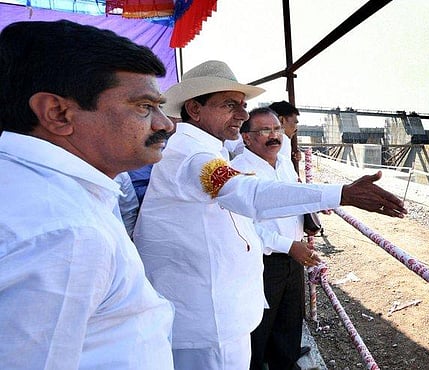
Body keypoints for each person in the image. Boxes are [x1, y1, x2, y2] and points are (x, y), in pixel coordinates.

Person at [132, 60, 406, 370]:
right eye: (229, 105)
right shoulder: (193, 156)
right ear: (195, 109)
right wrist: (342, 193)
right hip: (209, 323)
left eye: (243, 105)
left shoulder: (206, 149)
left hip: (216, 310)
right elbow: (247, 193)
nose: (242, 114)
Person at [0, 20, 176, 369]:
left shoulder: (35, 189)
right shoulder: (68, 233)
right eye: (144, 106)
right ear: (58, 113)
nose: (165, 124)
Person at [231, 108, 312, 370]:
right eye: (264, 130)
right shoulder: (236, 172)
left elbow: (295, 198)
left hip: (293, 258)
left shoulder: (284, 164)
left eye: (277, 129)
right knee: (258, 327)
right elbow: (245, 226)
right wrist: (289, 246)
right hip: (263, 263)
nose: (274, 135)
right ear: (246, 138)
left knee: (289, 323)